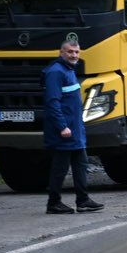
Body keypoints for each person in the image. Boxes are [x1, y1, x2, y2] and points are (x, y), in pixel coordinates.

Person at [40, 35, 102, 215]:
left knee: (80, 164)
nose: (74, 55)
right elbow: (52, 102)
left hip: (74, 129)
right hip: (64, 130)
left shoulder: (69, 70)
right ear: (61, 53)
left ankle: (83, 201)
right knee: (60, 168)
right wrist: (62, 127)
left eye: (76, 52)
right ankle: (54, 203)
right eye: (70, 52)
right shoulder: (56, 72)